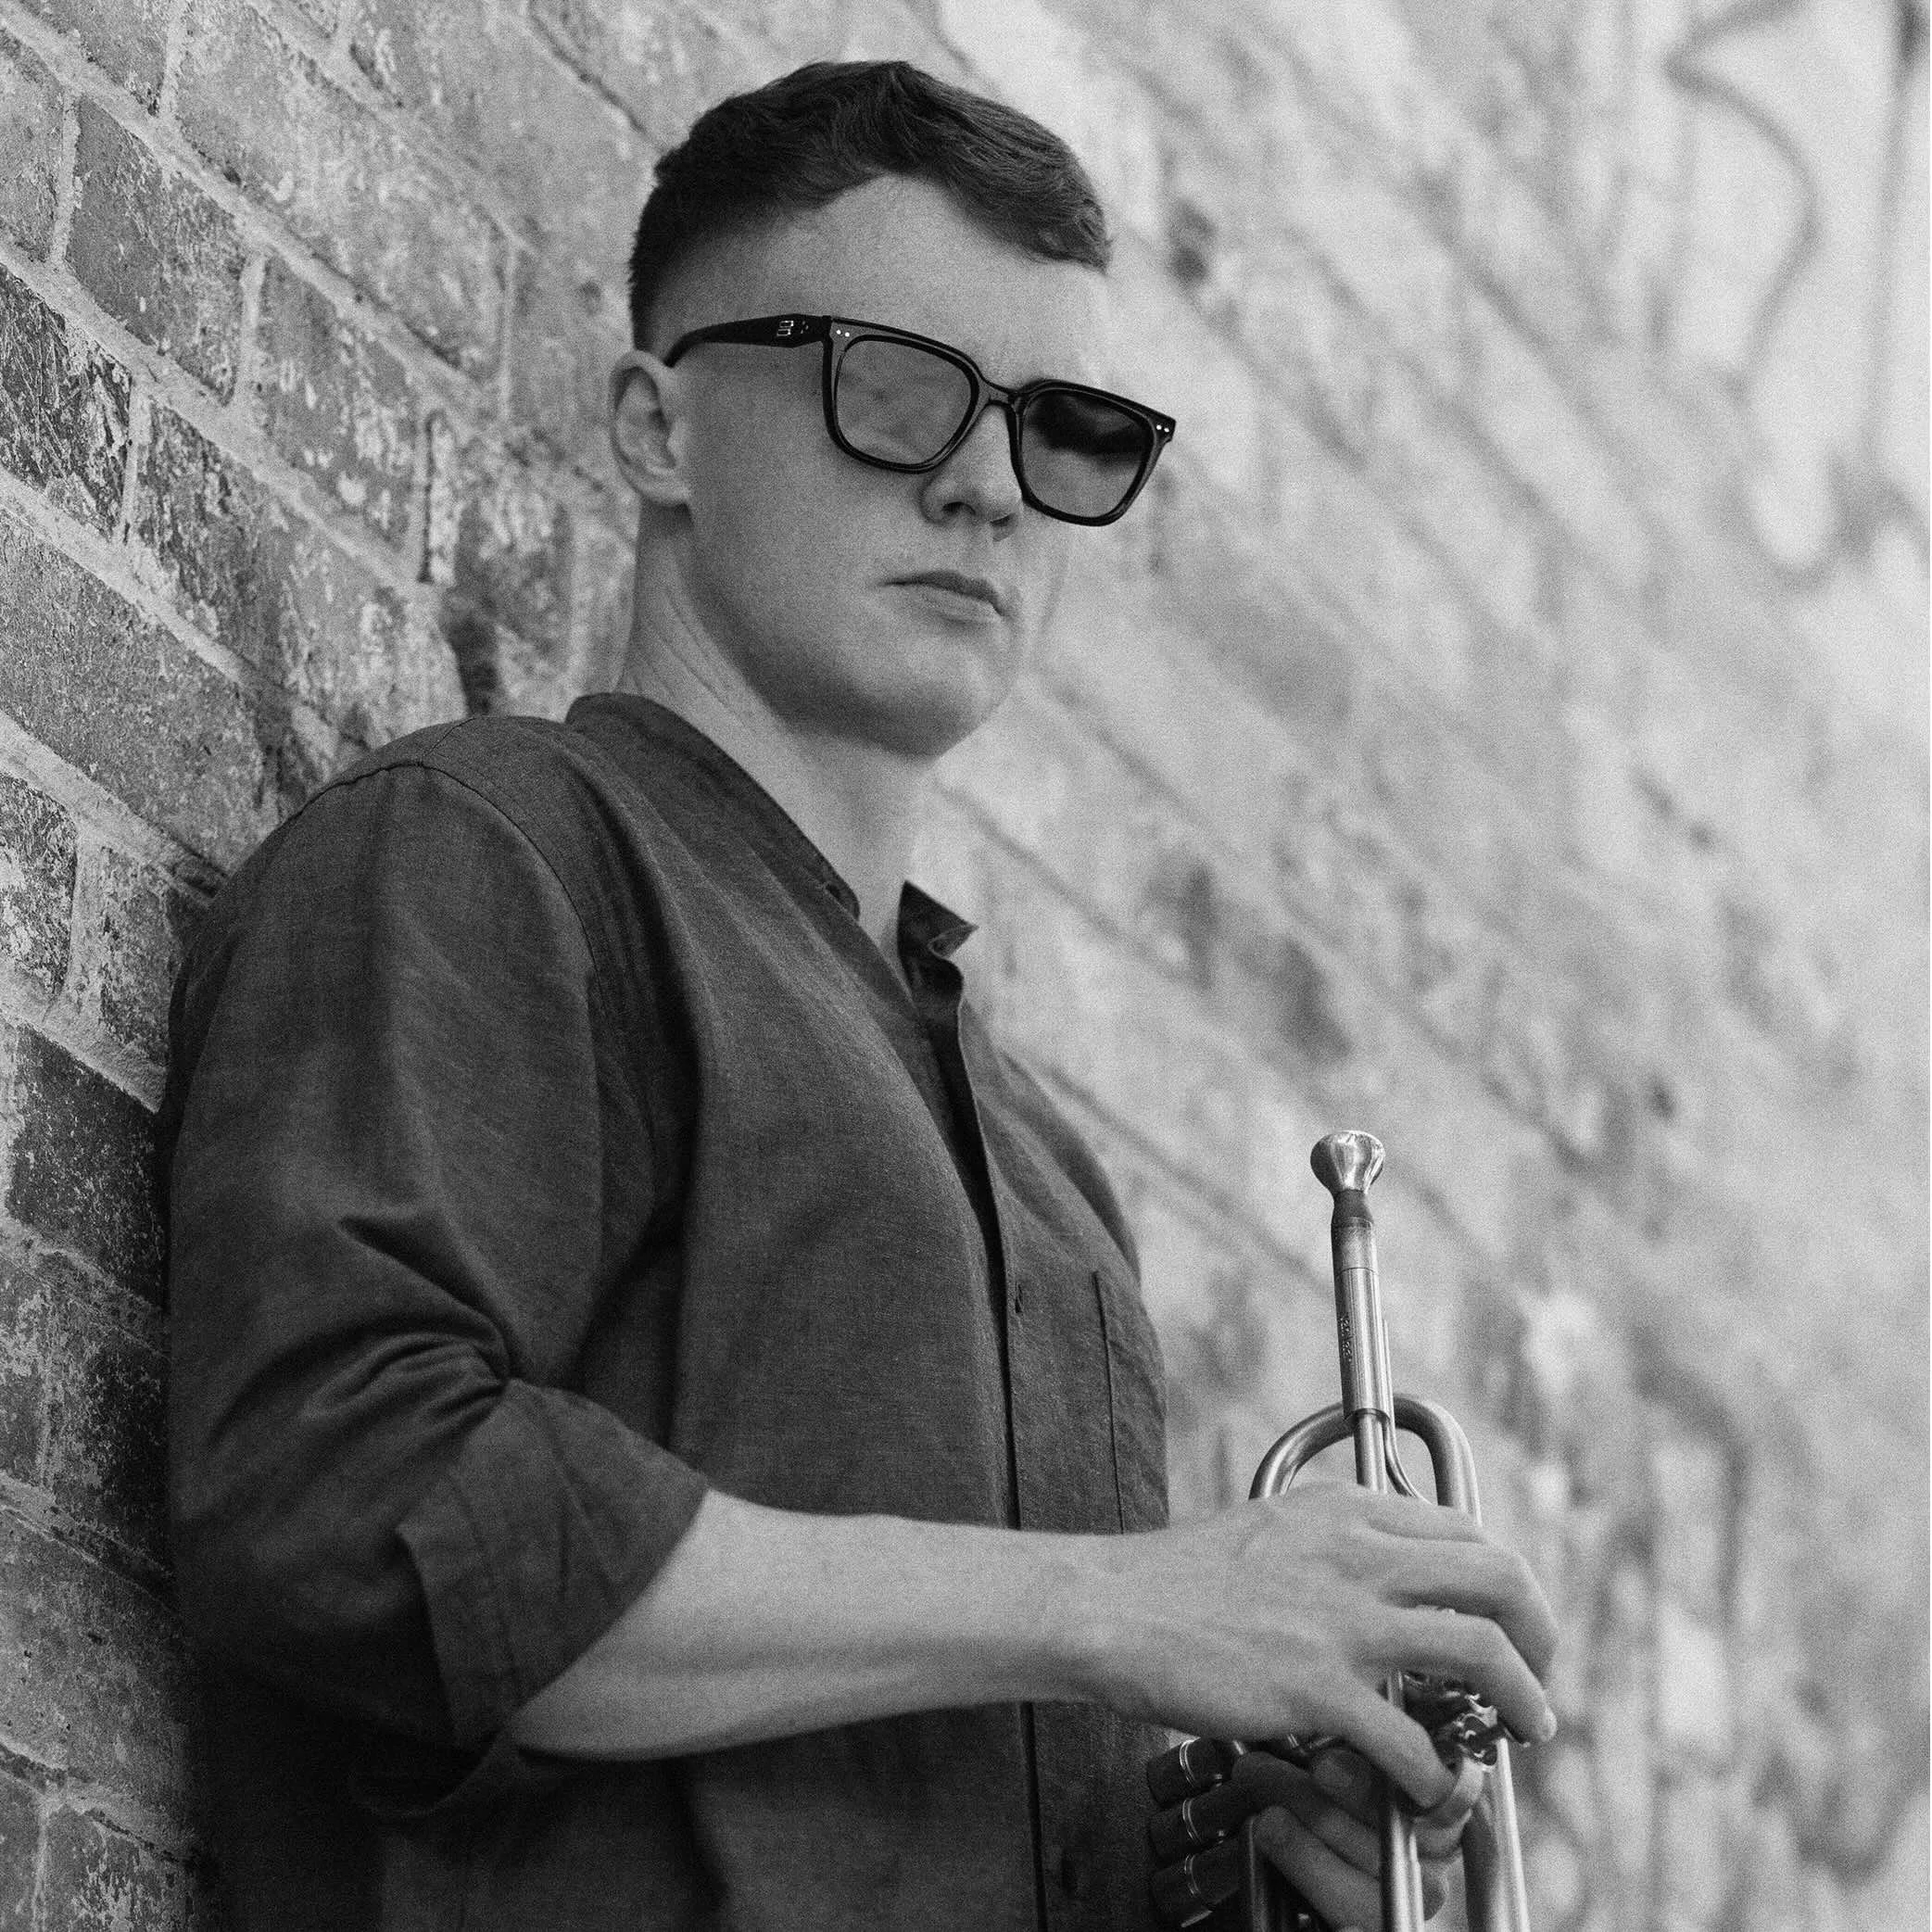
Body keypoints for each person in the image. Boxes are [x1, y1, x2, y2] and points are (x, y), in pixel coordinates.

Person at [161, 60, 1557, 1932]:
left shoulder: (1052, 1174)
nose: (987, 484)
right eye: (892, 388)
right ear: (659, 426)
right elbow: (343, 1505)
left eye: (1066, 430)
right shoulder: (495, 850)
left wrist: (1242, 1854)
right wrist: (1122, 1604)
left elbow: (928, 1804)